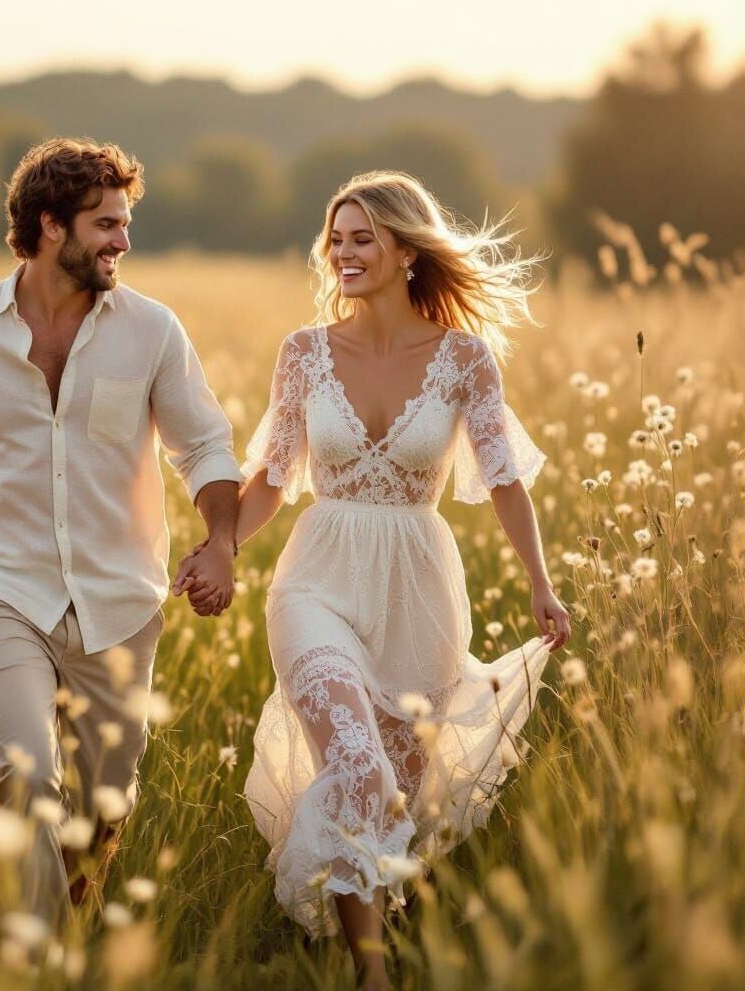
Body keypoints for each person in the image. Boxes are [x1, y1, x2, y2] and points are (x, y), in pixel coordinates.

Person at [175, 171, 571, 990]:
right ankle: (372, 974)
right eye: (338, 238)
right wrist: (223, 546)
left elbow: (502, 477)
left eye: (363, 238)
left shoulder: (464, 358)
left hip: (418, 594)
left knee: (396, 798)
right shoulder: (305, 352)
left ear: (405, 249)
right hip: (316, 582)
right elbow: (274, 475)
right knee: (358, 768)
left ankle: (361, 929)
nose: (345, 252)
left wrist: (541, 581)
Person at [0, 137, 242, 930]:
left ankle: (71, 904)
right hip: (2, 587)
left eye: (125, 222)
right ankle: (42, 957)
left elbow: (203, 446)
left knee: (107, 802)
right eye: (105, 224)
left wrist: (222, 541)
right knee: (27, 774)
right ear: (48, 227)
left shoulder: (153, 331)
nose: (122, 241)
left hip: (120, 597)